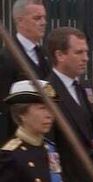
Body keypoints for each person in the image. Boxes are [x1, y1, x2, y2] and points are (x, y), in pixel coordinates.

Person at [46, 26, 93, 182]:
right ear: (60, 55)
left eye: (86, 52)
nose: (85, 58)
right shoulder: (47, 92)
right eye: (79, 52)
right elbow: (48, 149)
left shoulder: (86, 87)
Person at [0, 80, 64, 182]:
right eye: (42, 108)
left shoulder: (50, 149)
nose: (49, 115)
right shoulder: (10, 156)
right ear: (22, 114)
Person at [0, 0, 51, 145]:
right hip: (21, 139)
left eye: (44, 18)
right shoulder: (7, 57)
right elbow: (5, 108)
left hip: (45, 136)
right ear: (20, 21)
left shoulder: (43, 54)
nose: (43, 22)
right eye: (37, 18)